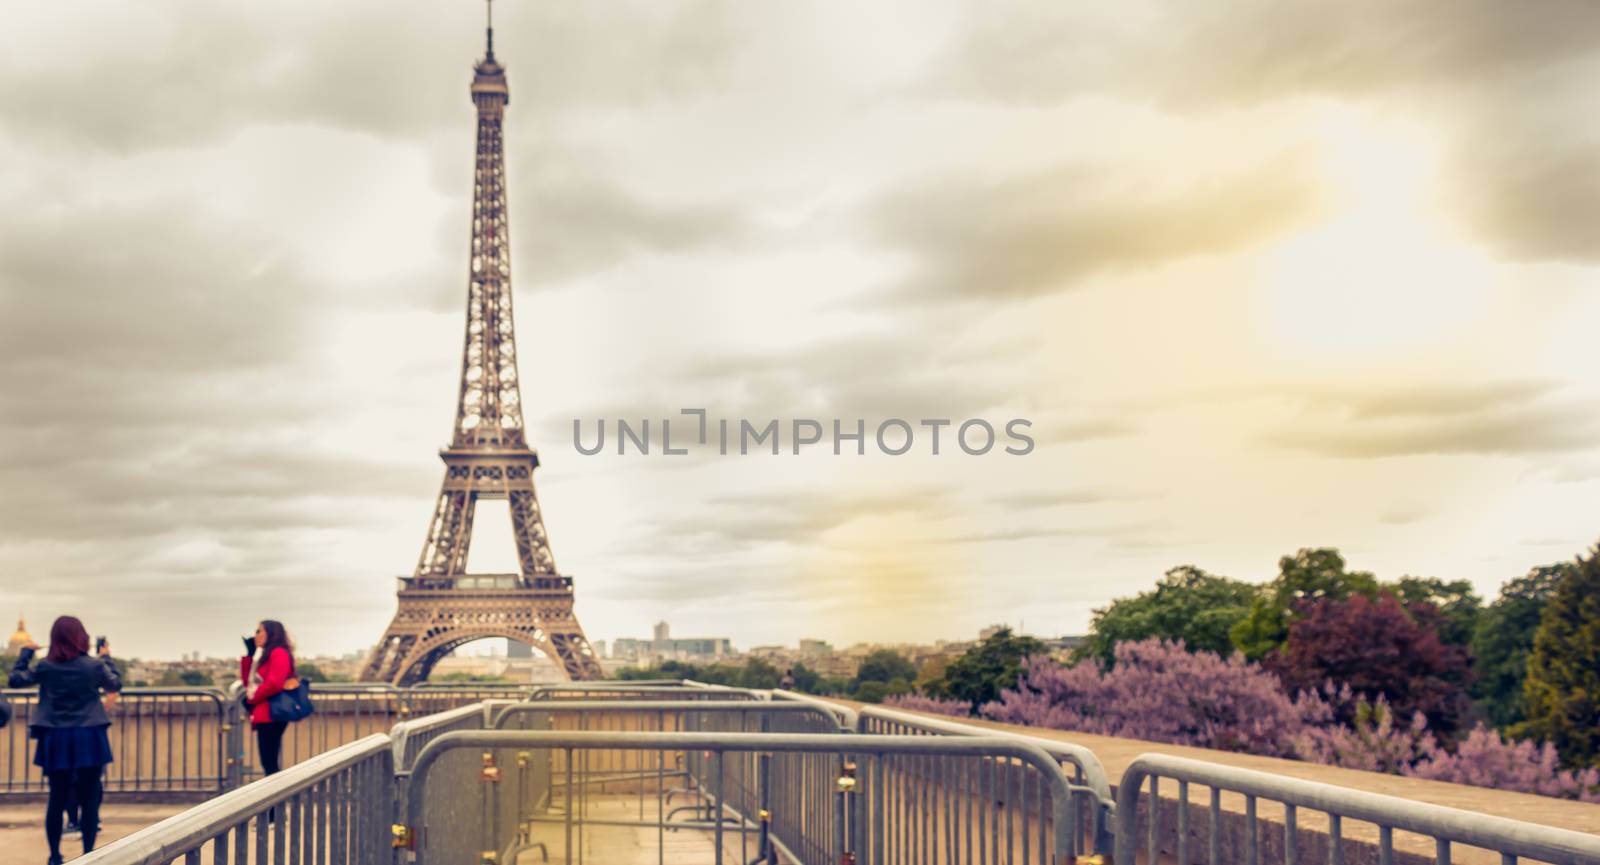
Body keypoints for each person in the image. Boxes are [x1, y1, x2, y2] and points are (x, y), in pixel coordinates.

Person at [8, 616, 120, 864]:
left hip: (56, 736)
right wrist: (106, 657)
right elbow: (115, 683)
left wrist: (26, 653)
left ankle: (55, 855)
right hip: (89, 734)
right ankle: (90, 852)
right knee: (90, 798)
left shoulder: (46, 667)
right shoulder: (93, 666)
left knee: (57, 797)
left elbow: (16, 680)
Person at [240, 620, 298, 779]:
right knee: (268, 761)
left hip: (272, 713)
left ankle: (274, 803)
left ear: (271, 633)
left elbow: (274, 684)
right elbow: (248, 683)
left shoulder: (278, 653)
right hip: (266, 713)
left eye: (259, 631)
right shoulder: (266, 655)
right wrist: (249, 656)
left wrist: (252, 699)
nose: (255, 635)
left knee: (269, 763)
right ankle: (274, 803)